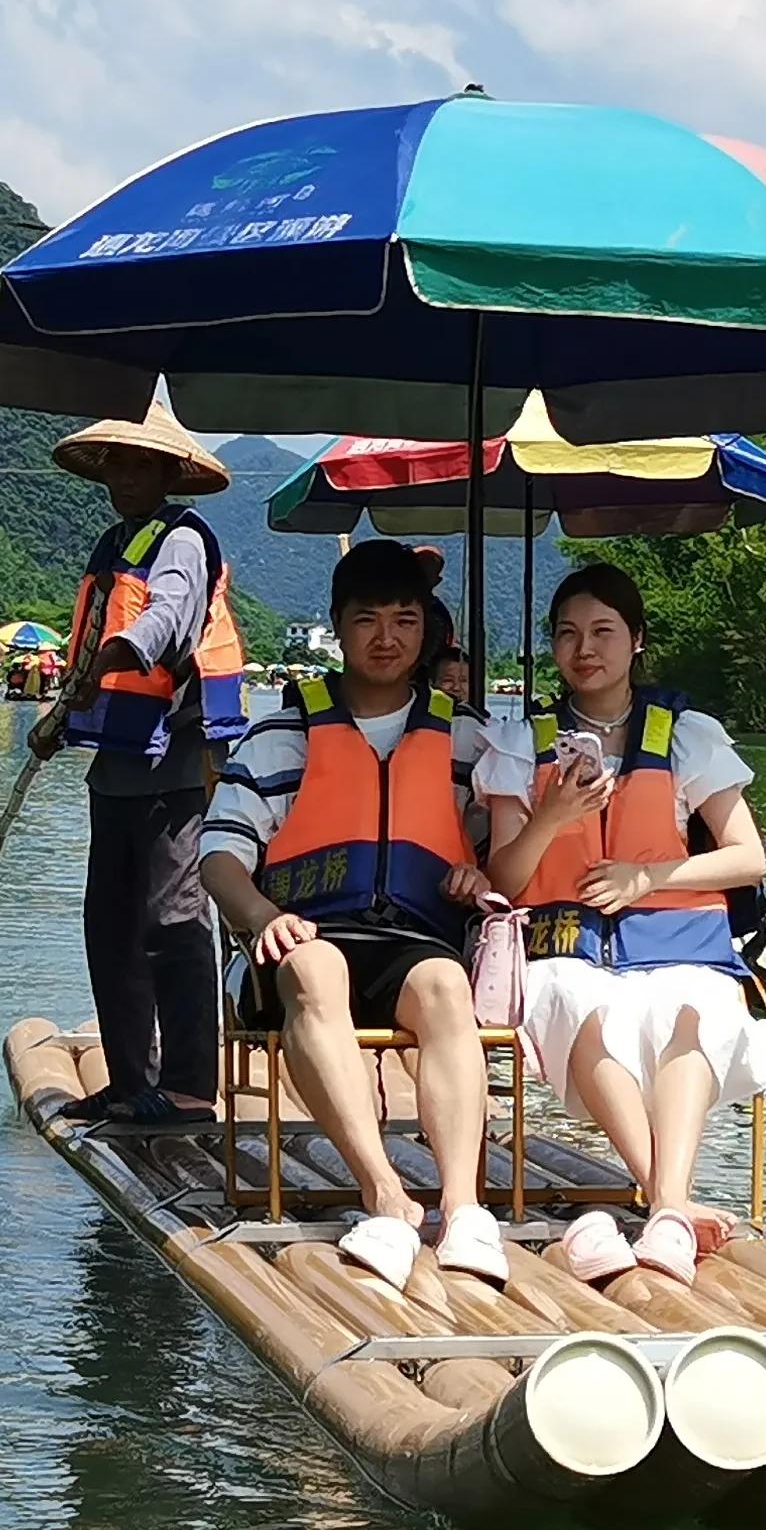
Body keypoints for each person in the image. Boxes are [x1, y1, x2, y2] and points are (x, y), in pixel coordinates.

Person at [198, 540, 516, 1295]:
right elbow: (219, 854)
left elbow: (502, 858)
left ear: (426, 631)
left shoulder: (467, 742)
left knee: (445, 984)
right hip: (305, 938)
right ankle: (386, 1194)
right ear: (338, 629)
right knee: (317, 968)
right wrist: (261, 914)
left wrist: (482, 870)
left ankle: (465, 1208)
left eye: (404, 620)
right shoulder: (286, 734)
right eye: (366, 620)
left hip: (412, 941)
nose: (386, 637)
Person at [481, 564, 766, 1288]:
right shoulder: (524, 743)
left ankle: (667, 1205)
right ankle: (672, 1206)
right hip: (564, 947)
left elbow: (748, 858)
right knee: (580, 1004)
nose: (586, 649)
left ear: (636, 641)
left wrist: (649, 877)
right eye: (569, 634)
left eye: (604, 632)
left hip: (675, 941)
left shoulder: (687, 737)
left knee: (695, 1009)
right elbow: (504, 880)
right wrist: (553, 816)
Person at [31, 392, 254, 1134]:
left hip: (177, 760)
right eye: (118, 462)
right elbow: (96, 638)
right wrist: (60, 716)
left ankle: (189, 1086)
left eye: (143, 462)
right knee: (111, 922)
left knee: (172, 915)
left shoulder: (183, 540)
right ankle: (131, 1079)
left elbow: (167, 616)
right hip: (119, 762)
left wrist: (121, 653)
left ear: (168, 471)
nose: (127, 474)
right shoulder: (114, 542)